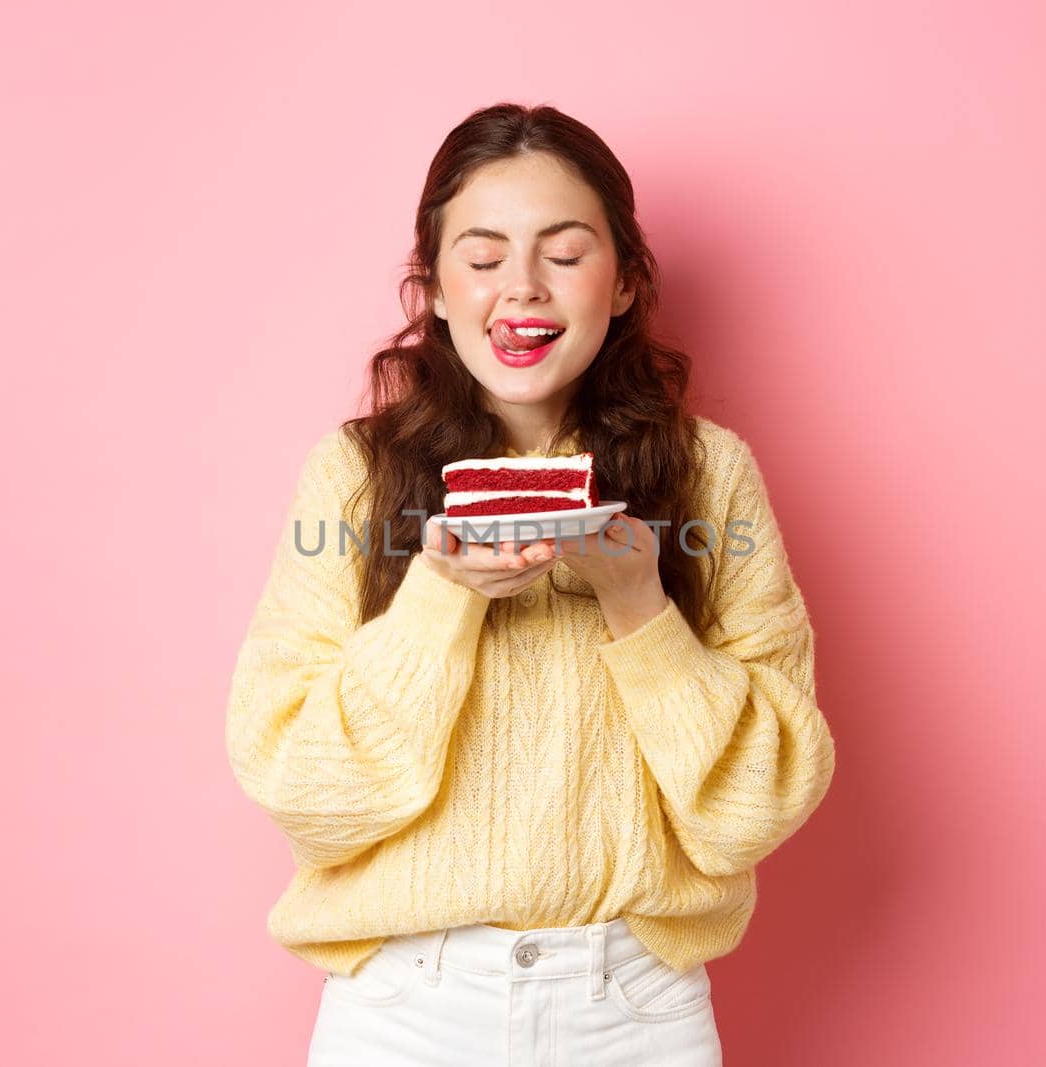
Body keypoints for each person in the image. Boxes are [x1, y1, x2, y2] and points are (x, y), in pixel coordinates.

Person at [224, 101, 836, 1066]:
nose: (523, 290)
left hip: (634, 1008)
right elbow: (304, 788)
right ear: (430, 286)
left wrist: (641, 611)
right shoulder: (353, 476)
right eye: (482, 256)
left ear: (626, 281)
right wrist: (441, 598)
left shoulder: (710, 475)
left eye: (564, 252)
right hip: (403, 1011)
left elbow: (756, 806)